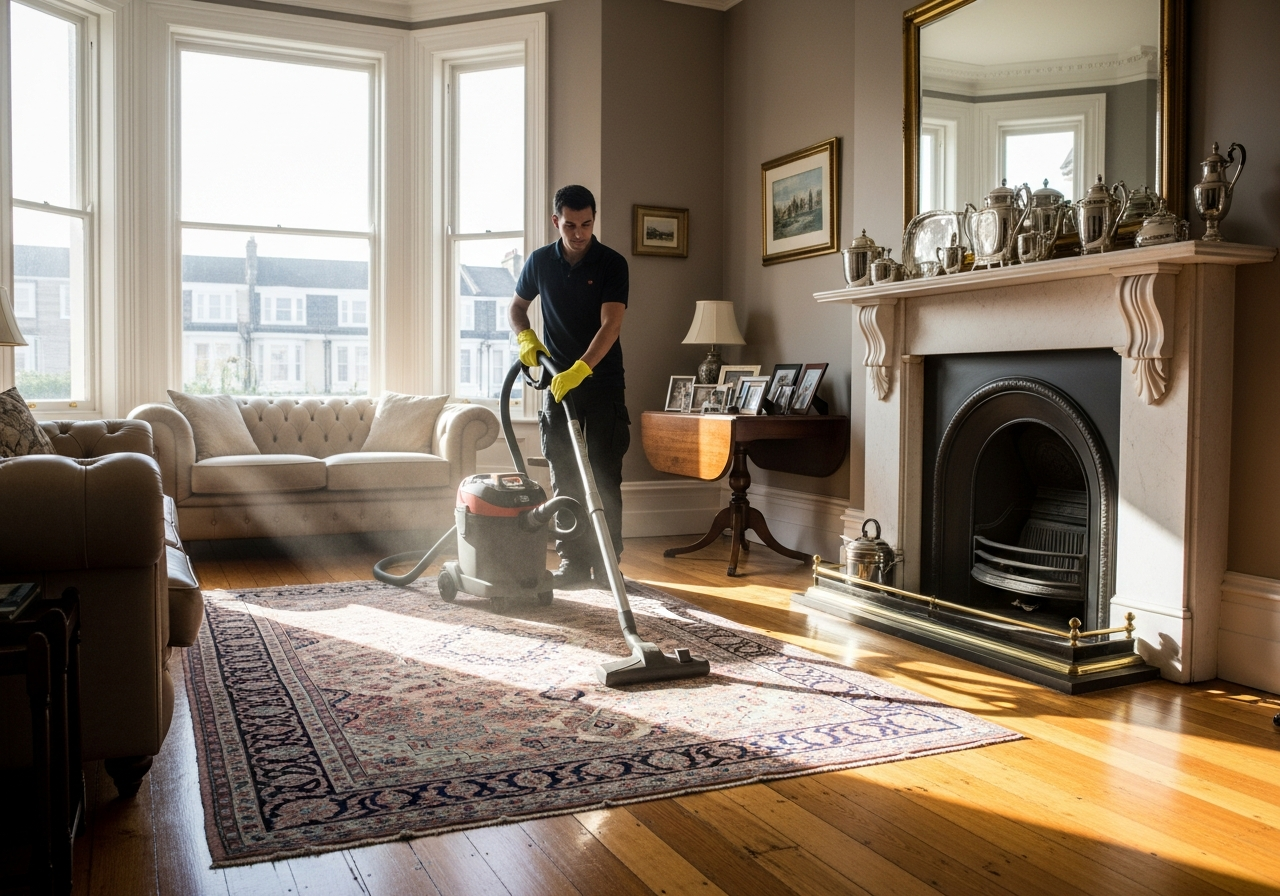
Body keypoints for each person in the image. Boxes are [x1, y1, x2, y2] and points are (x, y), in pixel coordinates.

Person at [509, 185, 630, 589]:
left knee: (604, 476)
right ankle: (574, 565)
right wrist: (526, 338)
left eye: (587, 224)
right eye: (571, 224)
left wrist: (580, 369)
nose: (579, 233)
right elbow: (516, 307)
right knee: (565, 478)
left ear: (594, 220)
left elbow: (610, 324)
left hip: (601, 385)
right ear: (555, 220)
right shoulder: (540, 262)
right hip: (556, 388)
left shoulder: (611, 263)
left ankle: (608, 567)